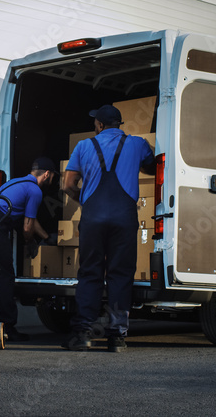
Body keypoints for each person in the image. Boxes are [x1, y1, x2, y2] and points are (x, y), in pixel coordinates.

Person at [61, 105, 156, 352]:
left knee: (90, 272)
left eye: (95, 122)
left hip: (93, 219)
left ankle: (83, 333)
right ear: (119, 125)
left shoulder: (83, 146)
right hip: (124, 219)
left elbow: (68, 183)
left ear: (100, 125)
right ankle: (117, 337)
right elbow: (152, 166)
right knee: (120, 275)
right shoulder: (138, 144)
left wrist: (84, 200)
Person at [0, 157, 57, 341]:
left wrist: (46, 237)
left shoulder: (16, 182)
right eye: (53, 176)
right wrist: (29, 242)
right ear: (47, 174)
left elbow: (28, 218)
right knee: (4, 274)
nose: (53, 179)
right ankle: (7, 327)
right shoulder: (35, 191)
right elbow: (27, 227)